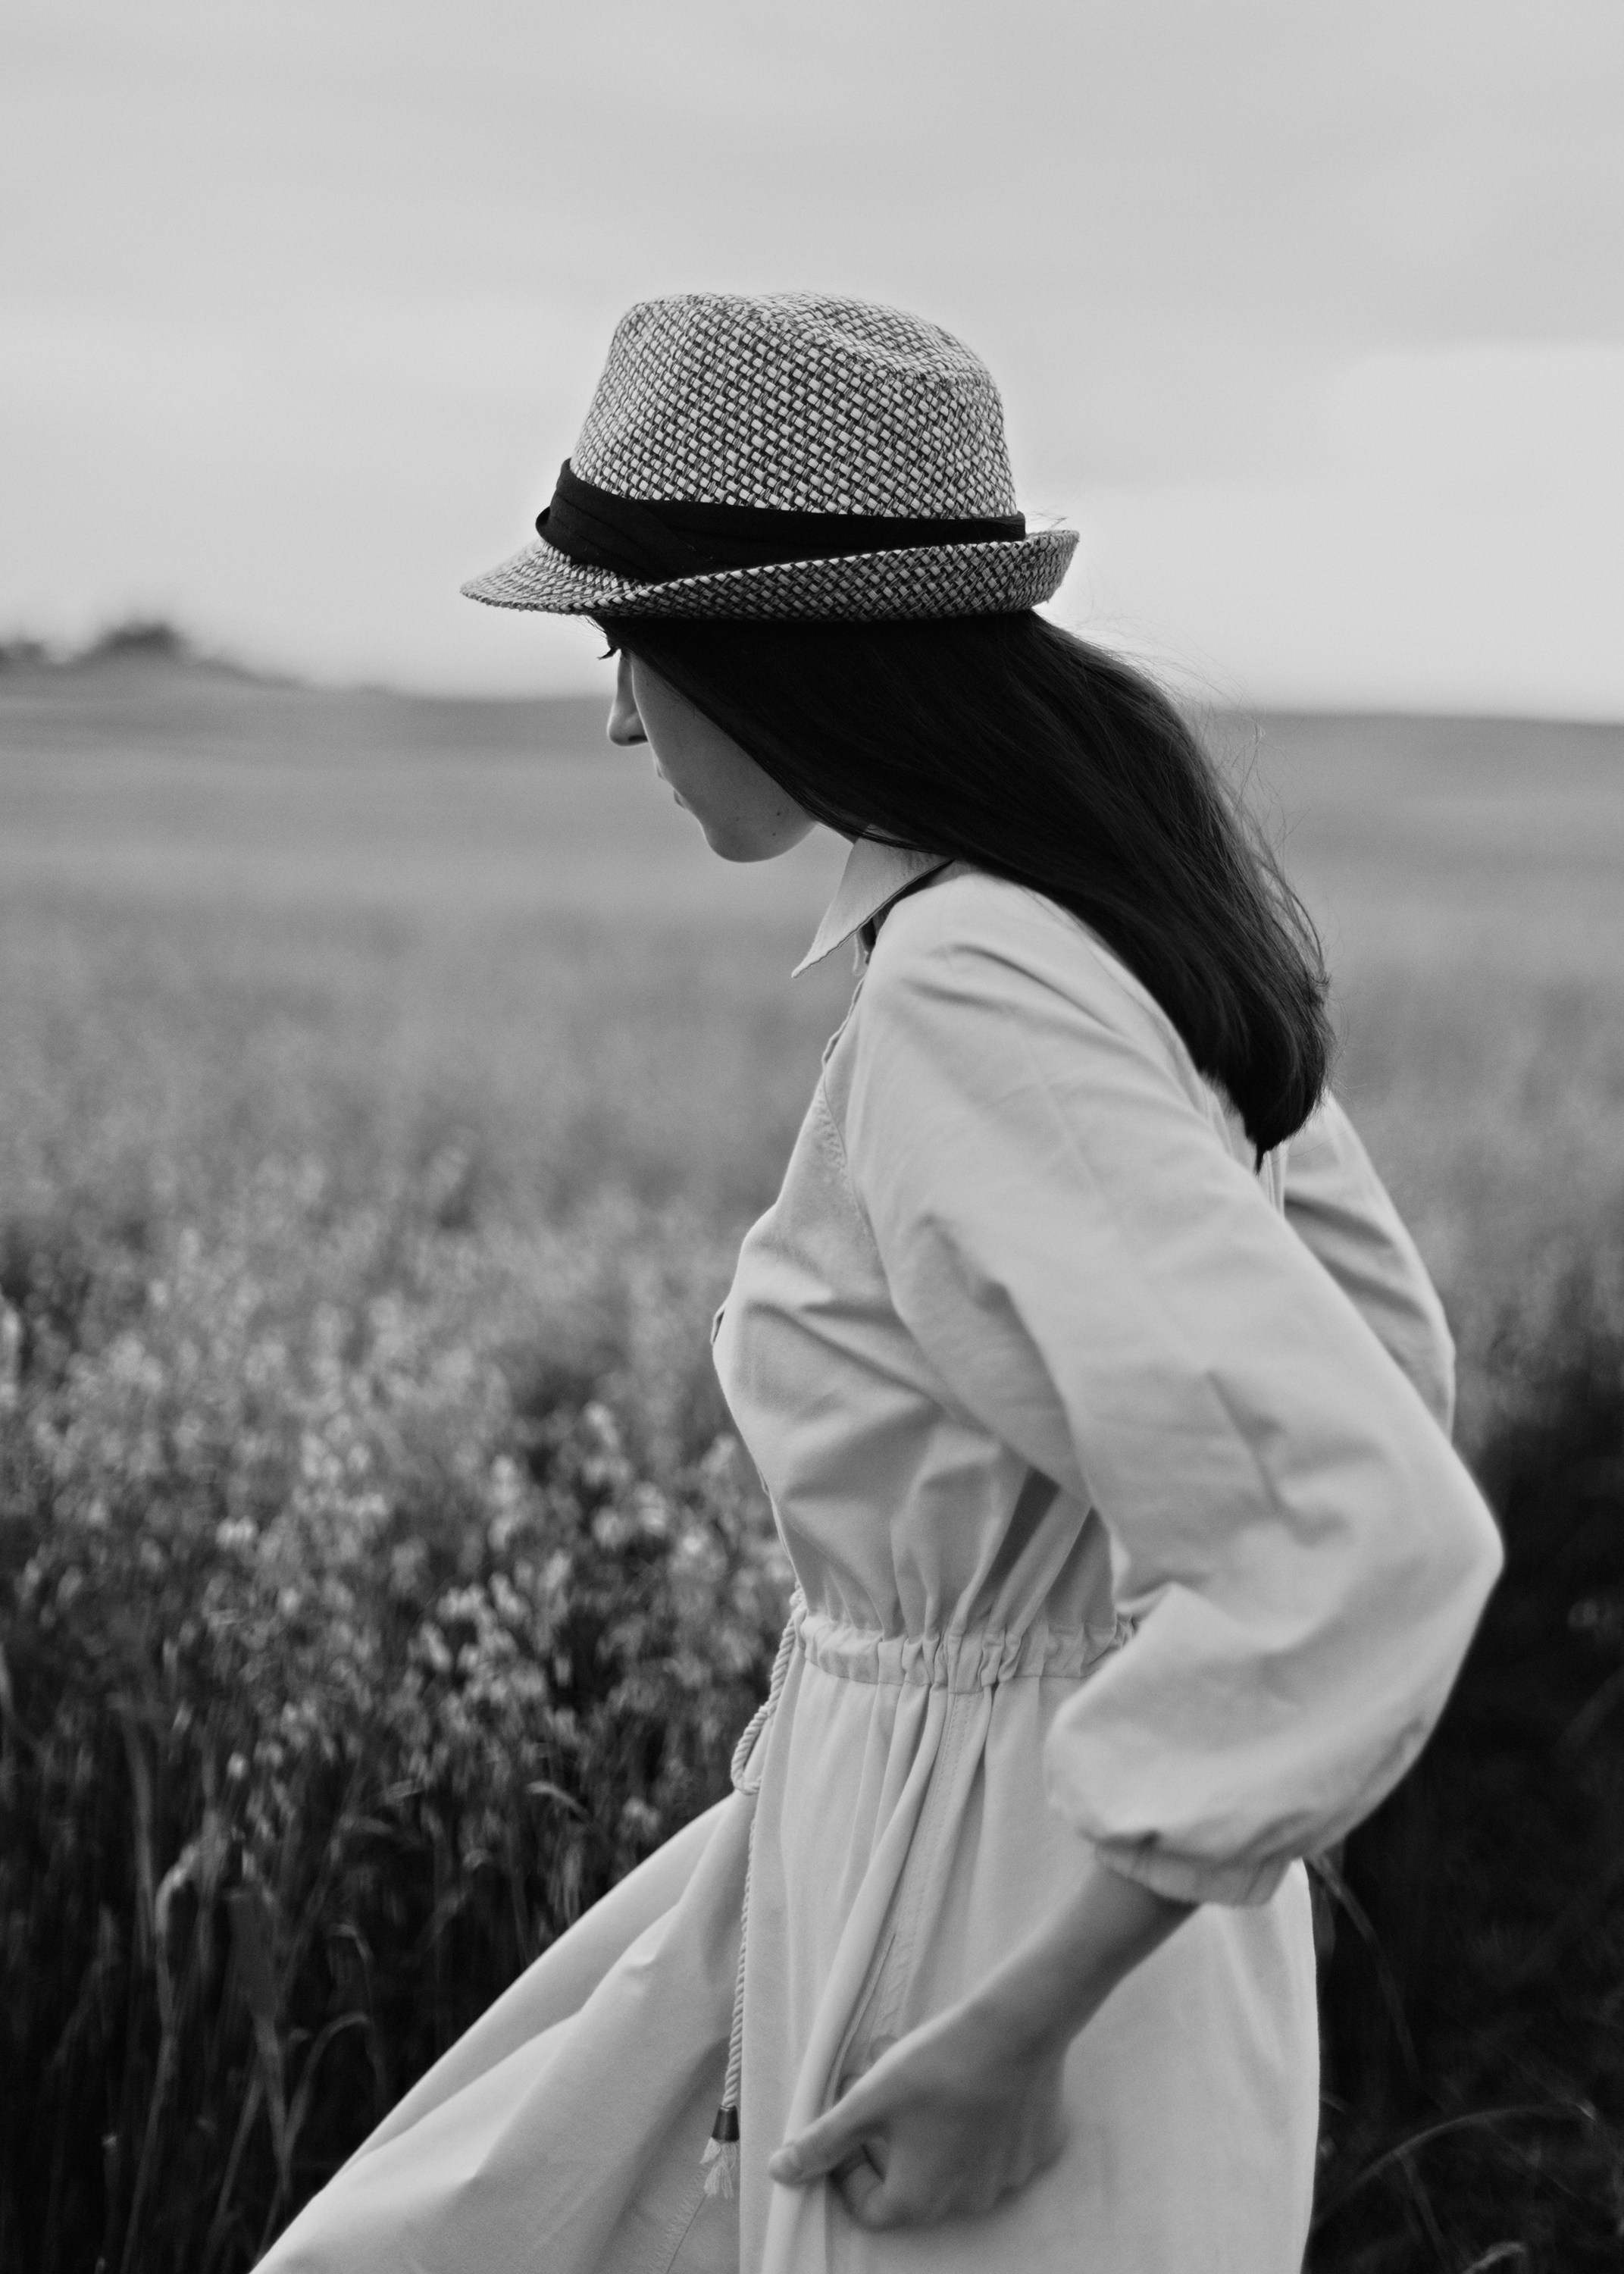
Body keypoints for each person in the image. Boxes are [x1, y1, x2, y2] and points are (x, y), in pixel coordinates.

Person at [261, 292, 1501, 2274]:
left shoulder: (977, 986)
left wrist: (1012, 2017)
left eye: (620, 642)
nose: (613, 713)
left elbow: (1368, 1524)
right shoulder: (1091, 926)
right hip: (1013, 1895)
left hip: (997, 1954)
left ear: (763, 650)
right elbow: (1385, 1358)